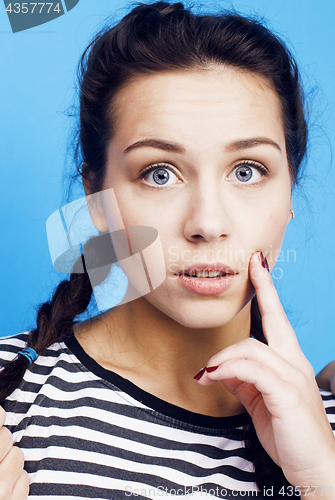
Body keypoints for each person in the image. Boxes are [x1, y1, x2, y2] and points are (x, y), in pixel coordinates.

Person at [0, 2, 334, 498]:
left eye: (247, 171)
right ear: (97, 199)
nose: (207, 223)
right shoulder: (11, 401)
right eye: (160, 174)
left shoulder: (325, 432)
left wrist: (321, 479)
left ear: (289, 194)